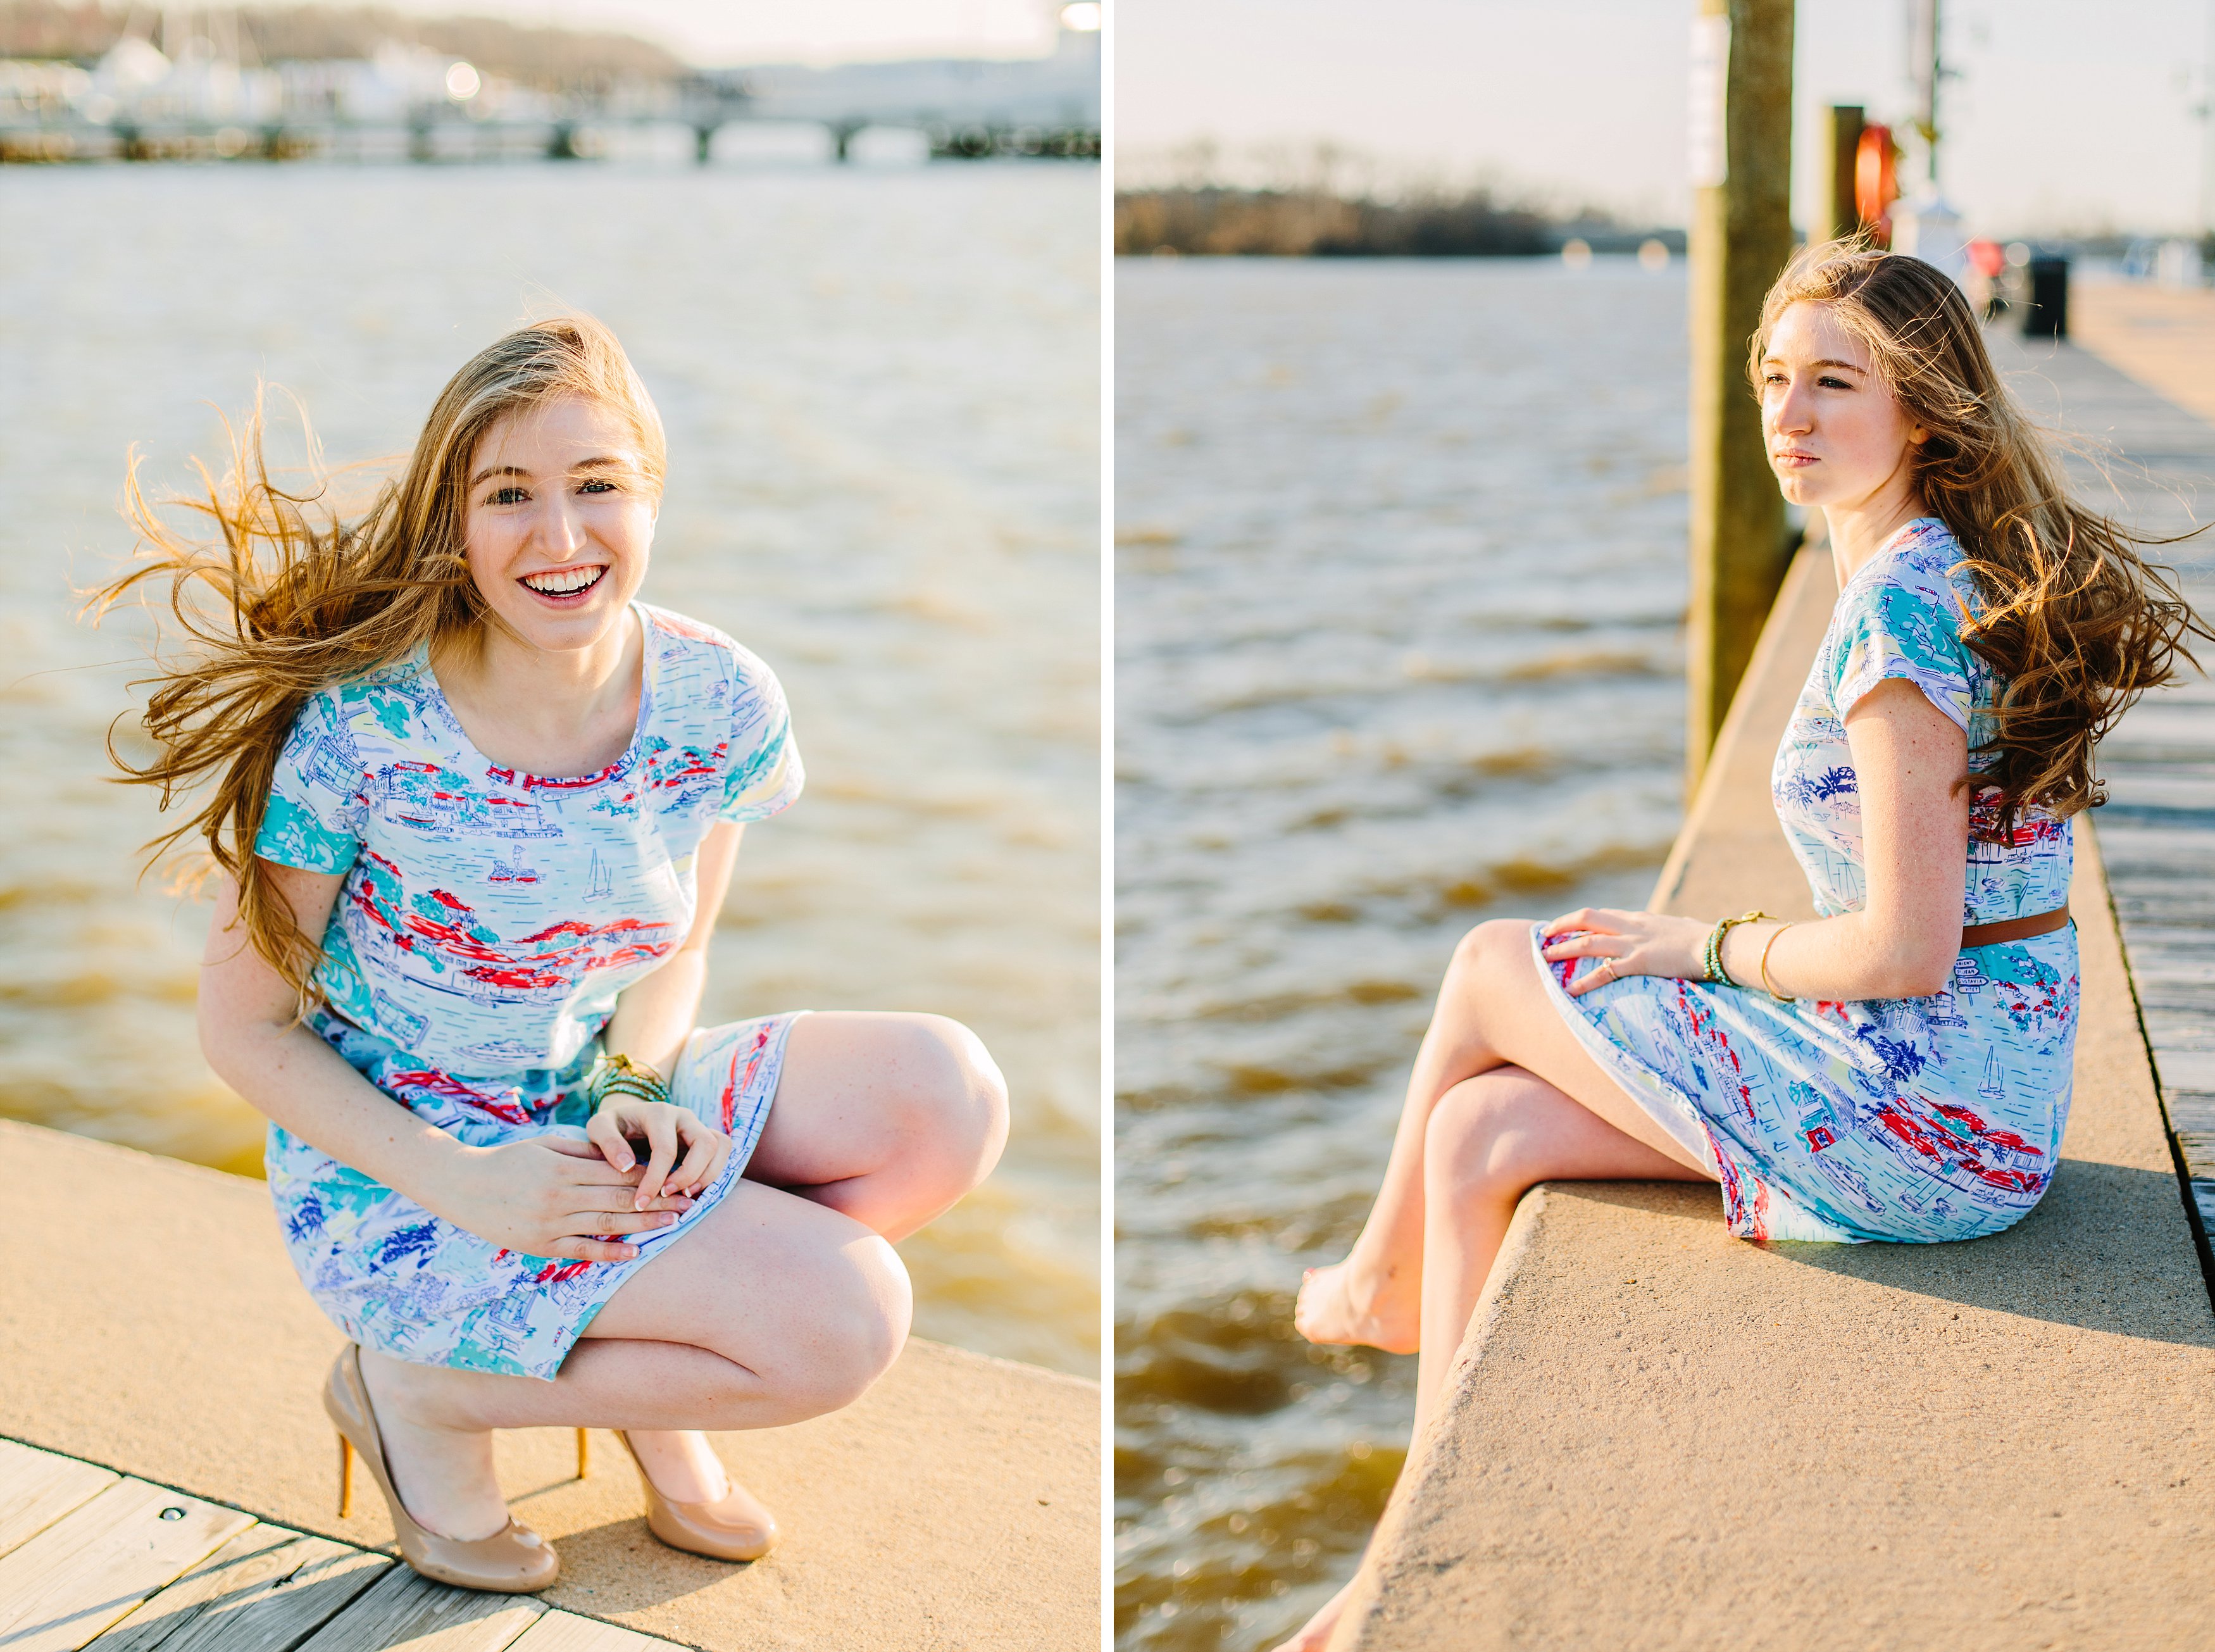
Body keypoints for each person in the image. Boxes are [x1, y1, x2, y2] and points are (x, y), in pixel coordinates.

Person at [1276, 243, 2206, 1651]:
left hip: (1931, 1121)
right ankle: (1395, 1566)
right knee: (1476, 1137)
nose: (1790, 415)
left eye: (1835, 383)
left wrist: (1698, 945)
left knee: (1486, 964)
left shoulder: (1899, 611)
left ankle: (1367, 1286)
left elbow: (1901, 946)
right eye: (1774, 379)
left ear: (1927, 410)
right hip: (1975, 1103)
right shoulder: (1940, 571)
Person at [95, 316, 1008, 1592]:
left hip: (591, 1101)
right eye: (508, 495)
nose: (560, 537)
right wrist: (465, 1184)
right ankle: (424, 1393)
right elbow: (241, 1029)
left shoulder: (717, 699)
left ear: (651, 495)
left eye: (597, 487)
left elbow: (676, 952)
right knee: (846, 1325)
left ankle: (655, 1344)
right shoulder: (362, 728)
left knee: (946, 1095)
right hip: (406, 1170)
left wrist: (640, 1093)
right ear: (452, 524)